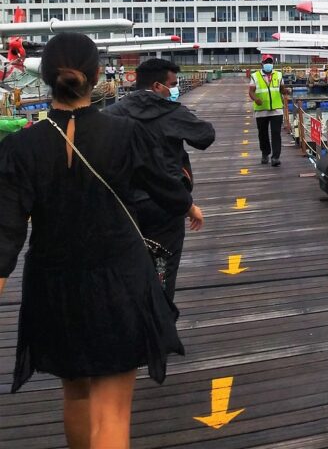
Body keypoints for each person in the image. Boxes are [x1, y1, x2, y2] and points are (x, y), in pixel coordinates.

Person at [0, 32, 192, 448]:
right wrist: (188, 205)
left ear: (49, 77)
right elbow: (170, 191)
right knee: (111, 414)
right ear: (98, 76)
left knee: (76, 395)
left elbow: (6, 232)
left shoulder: (20, 147)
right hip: (117, 279)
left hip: (53, 285)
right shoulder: (124, 135)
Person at [104, 57, 212, 307]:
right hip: (166, 203)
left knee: (125, 269)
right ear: (156, 86)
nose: (174, 89)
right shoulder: (171, 112)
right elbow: (205, 136)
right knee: (164, 269)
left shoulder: (111, 113)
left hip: (122, 205)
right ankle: (160, 330)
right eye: (172, 84)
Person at [248, 54, 289, 167]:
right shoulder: (255, 76)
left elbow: (281, 89)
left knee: (276, 133)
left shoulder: (279, 75)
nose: (268, 64)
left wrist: (286, 91)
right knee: (263, 134)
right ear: (262, 64)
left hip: (276, 109)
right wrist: (256, 99)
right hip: (261, 110)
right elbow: (251, 91)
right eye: (266, 62)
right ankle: (265, 153)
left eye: (270, 62)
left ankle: (275, 157)